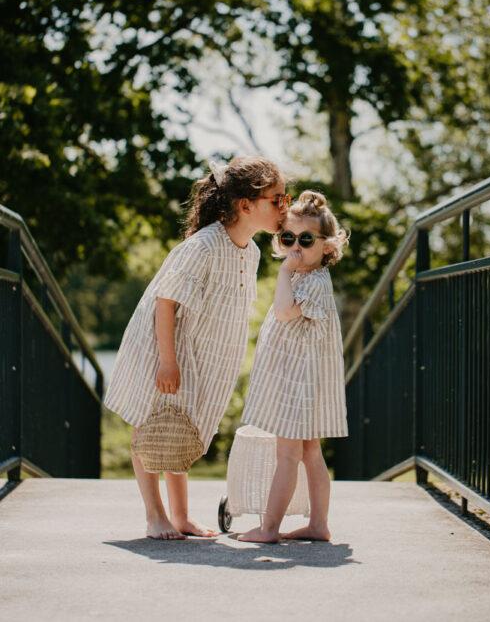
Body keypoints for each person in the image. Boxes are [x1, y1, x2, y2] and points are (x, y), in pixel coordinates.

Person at [104, 155, 288, 540]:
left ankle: (182, 516)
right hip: (164, 347)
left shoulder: (251, 253)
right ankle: (155, 515)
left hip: (202, 355)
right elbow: (165, 301)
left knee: (183, 430)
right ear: (246, 204)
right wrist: (168, 362)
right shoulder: (204, 246)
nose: (284, 207)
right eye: (277, 199)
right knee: (153, 426)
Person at [237, 191, 348, 543]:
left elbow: (285, 312)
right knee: (309, 452)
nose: (295, 247)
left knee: (287, 454)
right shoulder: (305, 277)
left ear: (327, 247)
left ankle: (269, 528)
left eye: (305, 240)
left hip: (299, 383)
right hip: (299, 379)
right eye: (288, 239)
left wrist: (285, 270)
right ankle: (318, 524)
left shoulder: (311, 281)